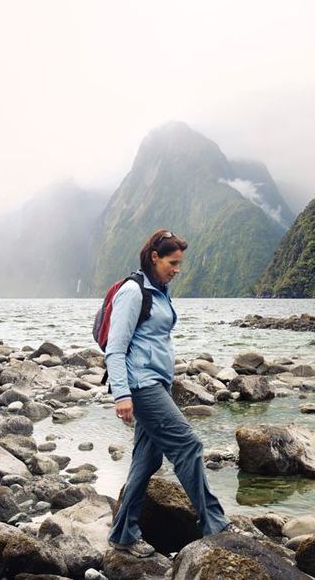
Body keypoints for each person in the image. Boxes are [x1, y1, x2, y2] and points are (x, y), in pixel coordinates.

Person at [106, 229, 244, 557]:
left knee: (147, 458)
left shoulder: (160, 291)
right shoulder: (133, 291)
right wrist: (121, 394)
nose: (177, 269)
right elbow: (115, 348)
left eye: (180, 263)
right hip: (141, 386)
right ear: (155, 257)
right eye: (172, 262)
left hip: (157, 383)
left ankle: (123, 533)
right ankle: (215, 523)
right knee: (189, 445)